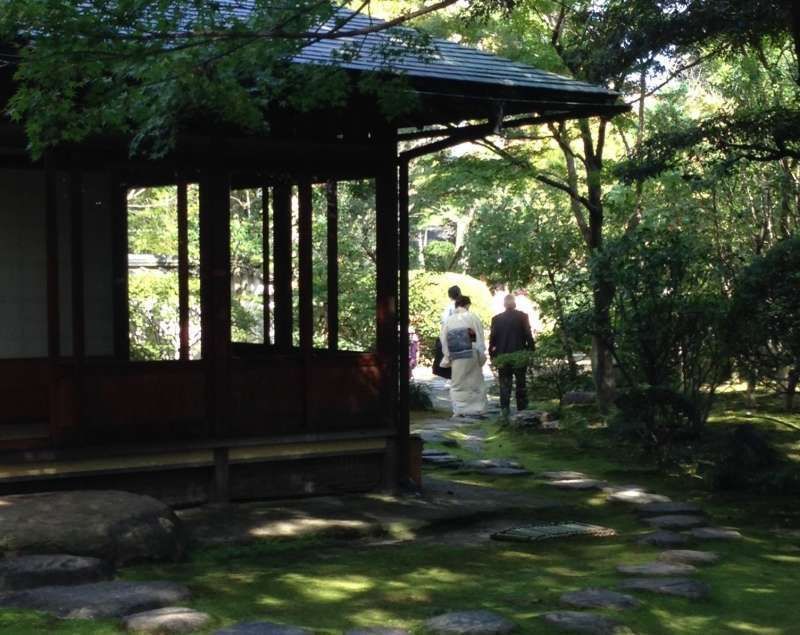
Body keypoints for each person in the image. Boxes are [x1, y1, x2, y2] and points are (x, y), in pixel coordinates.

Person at [440, 295, 488, 417]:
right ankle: (478, 409)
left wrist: (447, 355)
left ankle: (459, 409)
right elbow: (478, 338)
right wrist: (480, 354)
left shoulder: (449, 320)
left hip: (456, 354)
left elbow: (443, 339)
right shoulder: (472, 318)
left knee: (457, 384)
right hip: (471, 353)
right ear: (467, 305)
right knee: (476, 382)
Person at [489, 294, 535, 416]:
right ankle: (522, 411)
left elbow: (492, 340)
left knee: (504, 384)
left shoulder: (496, 319)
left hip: (503, 355)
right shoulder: (522, 317)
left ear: (504, 305)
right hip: (519, 354)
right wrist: (531, 351)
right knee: (521, 383)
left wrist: (493, 355)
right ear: (514, 304)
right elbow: (528, 335)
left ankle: (504, 410)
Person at [432, 285, 461, 380]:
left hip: (450, 336)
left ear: (450, 295)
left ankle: (452, 379)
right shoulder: (464, 307)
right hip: (461, 337)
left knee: (449, 358)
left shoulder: (449, 307)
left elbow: (444, 322)